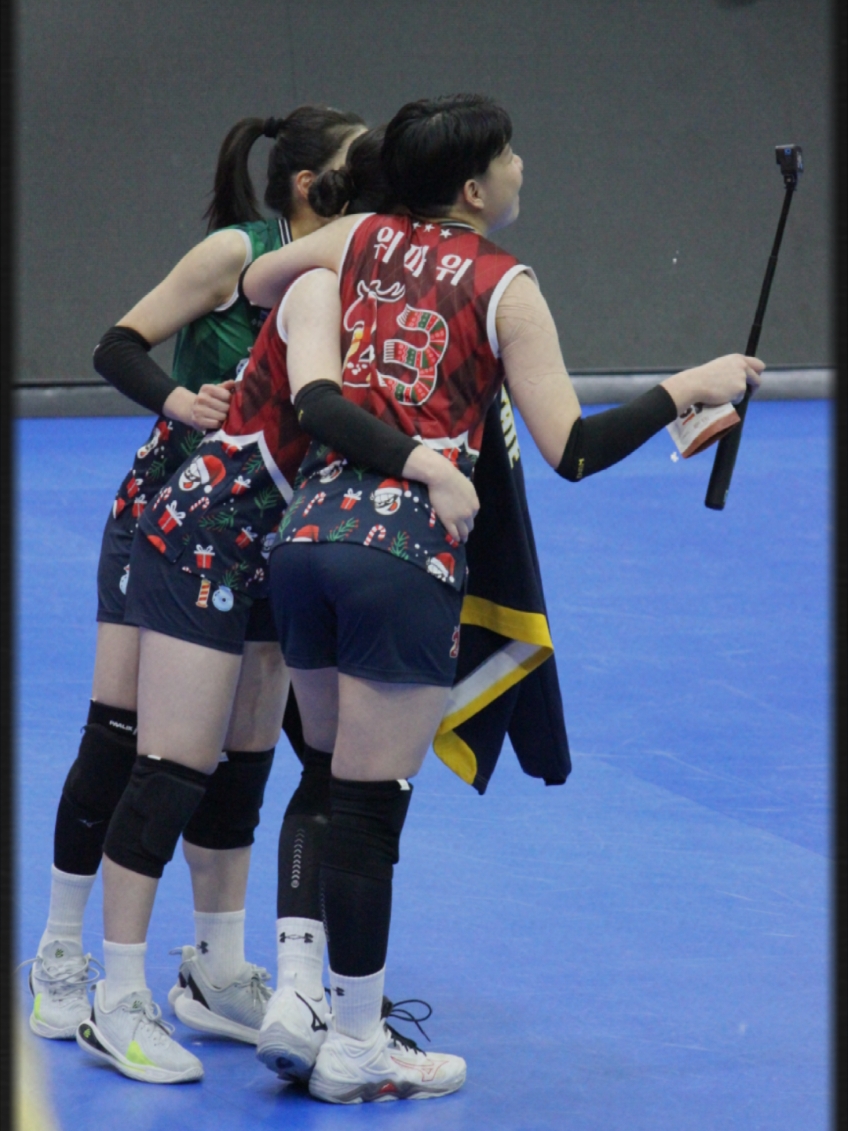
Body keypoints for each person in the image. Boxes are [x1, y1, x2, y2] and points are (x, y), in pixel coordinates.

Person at [240, 93, 765, 1103]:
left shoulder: (353, 235)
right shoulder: (504, 287)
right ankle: (354, 1042)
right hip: (399, 556)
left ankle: (299, 997)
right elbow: (569, 448)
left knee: (323, 777)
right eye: (509, 157)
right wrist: (686, 384)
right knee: (370, 808)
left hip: (303, 540)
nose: (522, 166)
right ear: (474, 189)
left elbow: (262, 281)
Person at [74, 126, 476, 1085]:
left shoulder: (393, 295)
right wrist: (429, 463)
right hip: (209, 530)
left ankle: (214, 973)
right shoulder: (318, 287)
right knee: (171, 764)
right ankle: (114, 996)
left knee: (245, 767)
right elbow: (326, 405)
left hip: (276, 548)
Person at [22, 106, 366, 1049]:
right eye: (358, 162)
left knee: (245, 748)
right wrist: (185, 401)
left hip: (266, 523)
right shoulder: (238, 253)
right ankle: (61, 947)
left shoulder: (347, 270)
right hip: (168, 513)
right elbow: (116, 342)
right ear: (311, 185)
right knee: (124, 732)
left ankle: (215, 963)